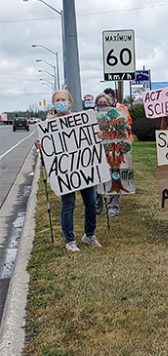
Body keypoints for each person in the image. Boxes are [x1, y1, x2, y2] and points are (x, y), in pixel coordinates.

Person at [35, 89, 101, 252]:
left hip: (84, 168)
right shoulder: (48, 126)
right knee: (68, 204)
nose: (60, 102)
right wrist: (41, 146)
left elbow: (93, 138)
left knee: (91, 203)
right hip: (65, 172)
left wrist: (98, 135)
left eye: (63, 99)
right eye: (57, 100)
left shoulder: (81, 120)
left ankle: (90, 234)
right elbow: (47, 151)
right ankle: (70, 240)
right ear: (54, 103)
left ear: (70, 102)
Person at [95, 92, 132, 217]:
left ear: (110, 103)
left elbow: (127, 129)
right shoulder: (92, 117)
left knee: (115, 178)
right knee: (97, 181)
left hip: (114, 152)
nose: (102, 104)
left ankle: (113, 207)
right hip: (98, 153)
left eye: (104, 102)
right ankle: (97, 207)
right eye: (100, 102)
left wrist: (125, 126)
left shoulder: (116, 115)